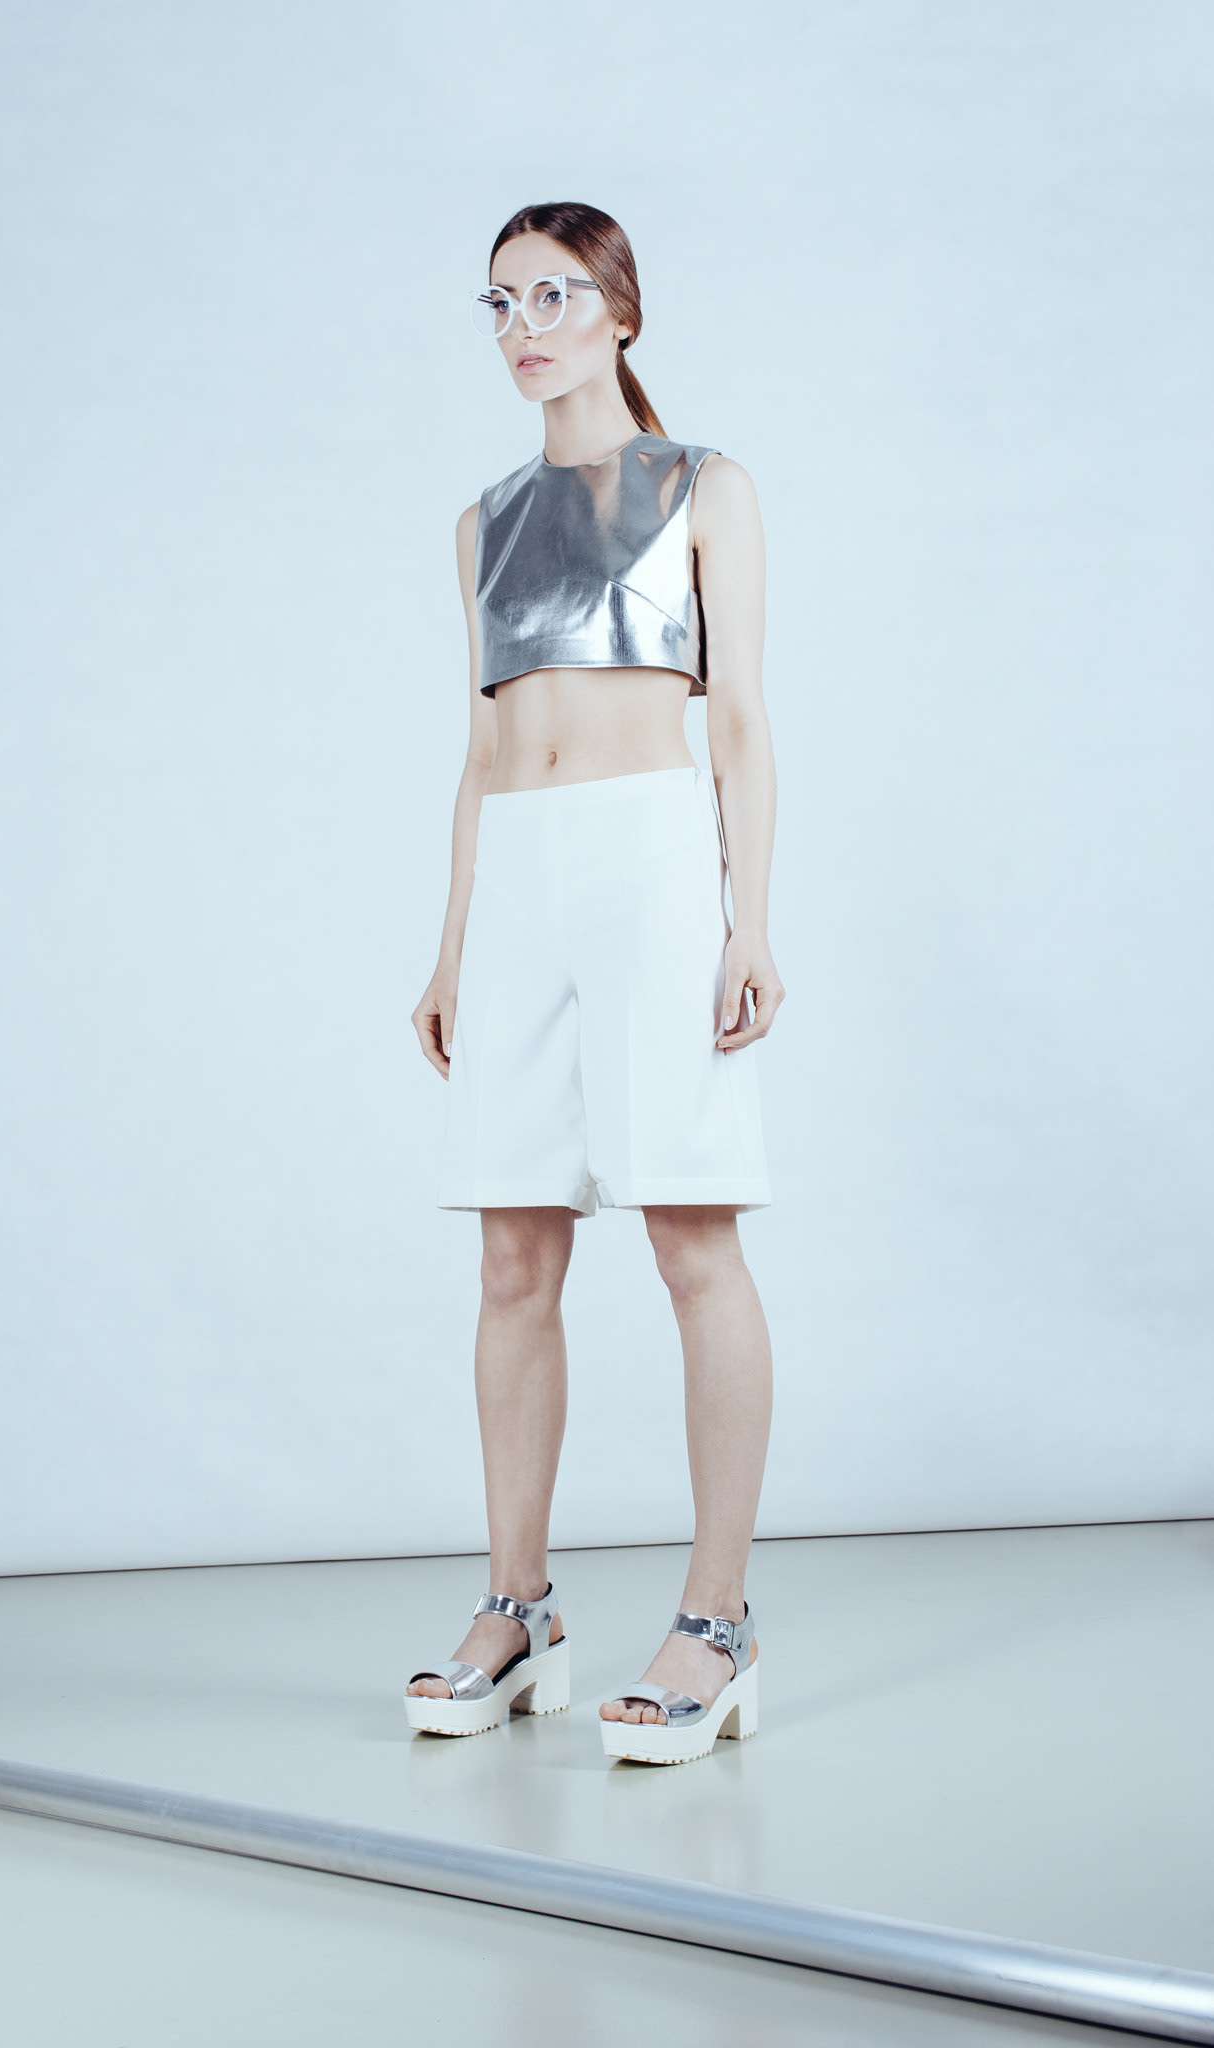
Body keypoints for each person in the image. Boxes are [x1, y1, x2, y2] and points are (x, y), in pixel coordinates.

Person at [405, 201, 784, 1766]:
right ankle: (518, 1610)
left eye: (555, 295)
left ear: (621, 309)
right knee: (511, 1256)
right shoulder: (481, 521)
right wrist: (451, 944)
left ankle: (717, 1622)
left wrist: (748, 920)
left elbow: (739, 718)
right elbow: (480, 749)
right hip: (521, 876)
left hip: (648, 861)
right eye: (500, 302)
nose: (525, 327)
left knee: (691, 1238)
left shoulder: (705, 486)